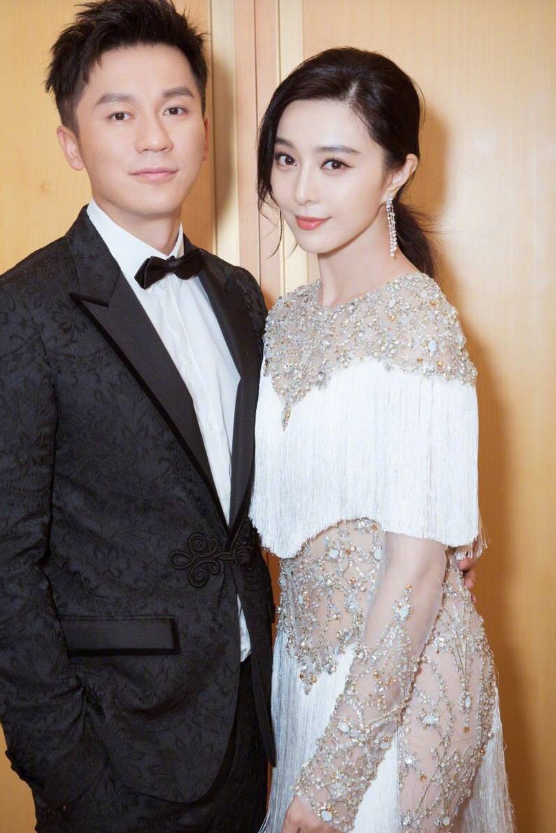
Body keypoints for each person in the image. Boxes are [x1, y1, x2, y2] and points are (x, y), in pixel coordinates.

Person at [0, 2, 275, 831]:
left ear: (205, 127)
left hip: (250, 726)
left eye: (175, 108)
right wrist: (71, 775)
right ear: (71, 142)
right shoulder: (14, 314)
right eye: (118, 114)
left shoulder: (239, 294)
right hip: (117, 757)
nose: (154, 138)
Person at [249, 48, 515, 833]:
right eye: (286, 159)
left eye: (335, 163)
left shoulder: (418, 321)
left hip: (398, 687)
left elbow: (415, 572)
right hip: (301, 670)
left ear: (396, 173)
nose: (302, 189)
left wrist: (332, 782)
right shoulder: (284, 320)